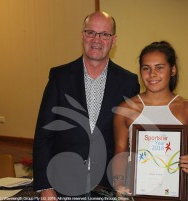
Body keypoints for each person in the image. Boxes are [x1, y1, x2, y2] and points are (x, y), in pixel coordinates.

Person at [33, 11, 140, 200]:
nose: (96, 39)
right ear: (83, 35)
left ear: (113, 40)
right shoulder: (60, 77)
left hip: (108, 185)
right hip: (61, 184)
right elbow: (44, 135)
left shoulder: (128, 82)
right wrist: (45, 185)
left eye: (104, 34)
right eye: (91, 32)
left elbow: (132, 141)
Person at [112, 41, 188, 198]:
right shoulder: (125, 110)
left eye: (159, 68)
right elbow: (120, 155)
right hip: (135, 188)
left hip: (177, 189)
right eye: (146, 68)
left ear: (173, 69)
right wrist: (118, 183)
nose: (152, 74)